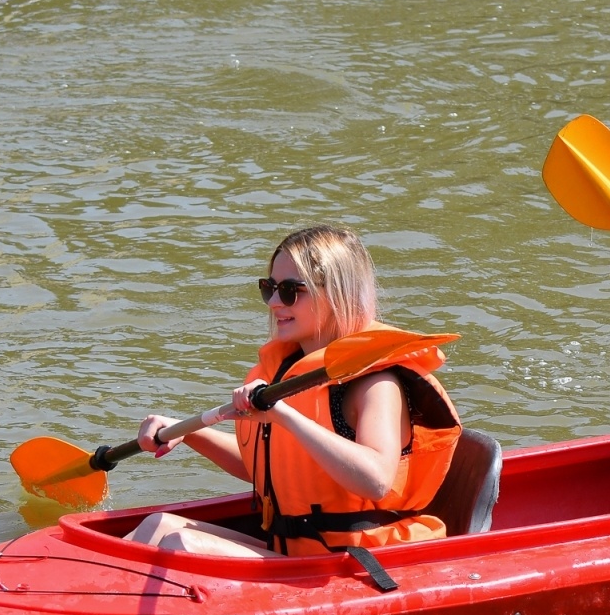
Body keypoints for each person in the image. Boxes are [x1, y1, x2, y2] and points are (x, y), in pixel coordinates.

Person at [125, 225, 461, 559]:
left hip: (353, 563)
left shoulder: (375, 383)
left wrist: (284, 414)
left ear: (337, 293)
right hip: (295, 555)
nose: (273, 302)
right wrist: (189, 434)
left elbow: (376, 480)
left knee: (181, 546)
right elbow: (264, 467)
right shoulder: (289, 370)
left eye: (289, 290)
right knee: (158, 527)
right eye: (269, 288)